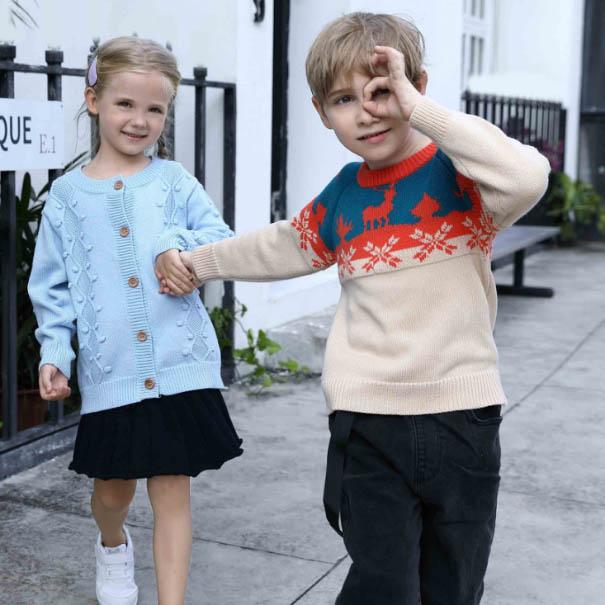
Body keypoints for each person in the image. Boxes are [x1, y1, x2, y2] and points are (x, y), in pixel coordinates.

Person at [172, 12, 551, 605]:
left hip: (463, 419)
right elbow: (284, 245)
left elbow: (527, 176)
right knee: (382, 584)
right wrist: (199, 262)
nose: (367, 112)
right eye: (344, 99)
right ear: (322, 114)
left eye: (381, 91)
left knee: (454, 582)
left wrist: (419, 110)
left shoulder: (465, 180)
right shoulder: (345, 196)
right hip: (369, 422)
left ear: (415, 86)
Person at [28, 36, 242, 605]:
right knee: (113, 492)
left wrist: (177, 245)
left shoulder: (174, 182)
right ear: (93, 100)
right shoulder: (66, 198)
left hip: (180, 364)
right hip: (114, 370)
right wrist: (55, 353)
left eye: (155, 109)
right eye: (125, 104)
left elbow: (220, 238)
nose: (140, 120)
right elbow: (52, 288)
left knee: (172, 490)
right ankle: (112, 542)